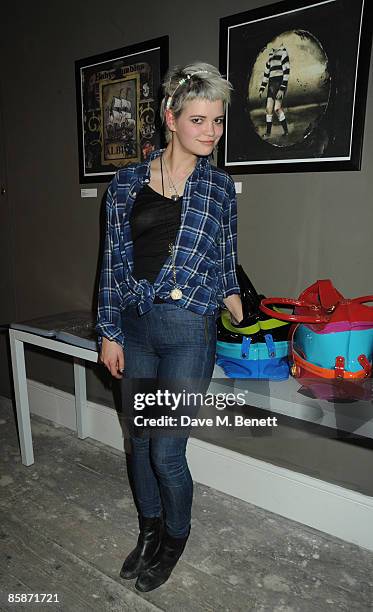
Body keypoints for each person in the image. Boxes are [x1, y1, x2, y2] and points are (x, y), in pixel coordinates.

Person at [96, 61, 243, 592]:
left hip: (188, 331)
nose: (211, 131)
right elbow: (112, 261)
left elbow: (226, 257)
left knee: (166, 449)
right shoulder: (126, 184)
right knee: (138, 441)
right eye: (200, 119)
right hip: (133, 329)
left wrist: (233, 304)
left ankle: (176, 537)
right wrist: (108, 332)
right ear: (171, 118)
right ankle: (149, 531)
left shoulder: (220, 188)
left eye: (218, 121)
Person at [259, 43, 290, 137]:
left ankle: (286, 131)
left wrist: (282, 88)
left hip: (280, 83)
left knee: (277, 109)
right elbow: (266, 73)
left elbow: (287, 72)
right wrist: (262, 88)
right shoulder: (271, 54)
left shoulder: (283, 52)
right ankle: (268, 133)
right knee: (268, 109)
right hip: (271, 85)